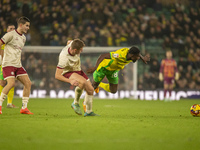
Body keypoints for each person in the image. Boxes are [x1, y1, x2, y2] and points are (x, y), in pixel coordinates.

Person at [55, 39, 99, 116]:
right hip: (68, 72)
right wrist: (70, 81)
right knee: (83, 82)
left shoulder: (72, 44)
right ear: (75, 50)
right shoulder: (64, 58)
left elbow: (69, 41)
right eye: (80, 50)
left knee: (91, 90)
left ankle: (88, 112)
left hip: (78, 70)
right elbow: (57, 75)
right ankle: (75, 103)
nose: (82, 51)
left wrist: (69, 41)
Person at [0, 16, 33, 114]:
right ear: (21, 25)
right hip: (8, 64)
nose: (28, 28)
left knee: (28, 83)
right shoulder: (10, 34)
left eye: (29, 26)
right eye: (26, 26)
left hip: (18, 65)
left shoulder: (23, 38)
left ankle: (24, 108)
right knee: (11, 83)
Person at [0, 24, 18, 108]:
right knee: (2, 83)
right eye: (10, 28)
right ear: (7, 30)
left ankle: (9, 103)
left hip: (11, 64)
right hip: (4, 64)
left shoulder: (15, 40)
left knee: (11, 83)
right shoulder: (5, 39)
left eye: (14, 28)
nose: (12, 30)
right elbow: (2, 53)